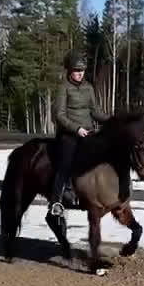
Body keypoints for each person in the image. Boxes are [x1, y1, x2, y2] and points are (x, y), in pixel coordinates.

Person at [49, 51, 109, 216]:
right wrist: (76, 129)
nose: (79, 73)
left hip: (87, 131)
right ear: (69, 71)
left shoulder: (88, 88)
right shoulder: (64, 88)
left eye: (81, 70)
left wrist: (111, 120)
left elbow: (95, 111)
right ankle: (56, 200)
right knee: (66, 163)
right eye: (76, 70)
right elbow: (59, 115)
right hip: (68, 133)